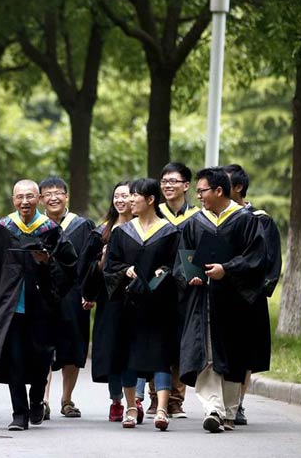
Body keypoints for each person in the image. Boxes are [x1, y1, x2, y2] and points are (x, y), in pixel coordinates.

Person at [0, 179, 78, 431]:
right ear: (13, 200)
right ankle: (19, 414)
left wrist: (47, 261)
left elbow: (69, 266)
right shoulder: (2, 228)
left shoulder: (51, 230)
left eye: (30, 196)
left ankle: (36, 400)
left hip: (42, 306)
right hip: (9, 305)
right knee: (14, 359)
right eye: (20, 197)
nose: (25, 202)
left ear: (39, 199)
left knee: (42, 357)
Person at [177, 167, 267, 433]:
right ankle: (213, 409)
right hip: (204, 298)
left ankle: (228, 411)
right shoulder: (195, 222)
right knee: (207, 353)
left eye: (202, 190)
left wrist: (226, 269)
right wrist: (189, 276)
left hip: (236, 299)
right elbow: (183, 258)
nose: (198, 195)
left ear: (218, 191)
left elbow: (256, 258)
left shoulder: (246, 221)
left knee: (234, 354)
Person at [104, 178, 181, 431]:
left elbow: (176, 264)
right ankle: (130, 408)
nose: (129, 200)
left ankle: (161, 409)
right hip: (129, 304)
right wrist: (125, 271)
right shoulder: (121, 232)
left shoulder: (170, 232)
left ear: (150, 200)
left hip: (159, 305)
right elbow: (110, 266)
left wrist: (164, 271)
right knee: (128, 356)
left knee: (160, 355)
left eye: (135, 196)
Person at [224, 164, 282, 426]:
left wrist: (258, 290)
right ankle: (222, 402)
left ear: (237, 187)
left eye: (223, 183)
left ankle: (238, 403)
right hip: (221, 293)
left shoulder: (261, 219)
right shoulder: (215, 217)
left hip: (249, 297)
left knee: (246, 352)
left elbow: (270, 261)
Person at [143, 162, 198, 418]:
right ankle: (156, 398)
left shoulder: (197, 217)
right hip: (157, 288)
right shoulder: (154, 214)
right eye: (164, 181)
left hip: (185, 289)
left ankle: (176, 399)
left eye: (173, 181)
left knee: (179, 342)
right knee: (157, 341)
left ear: (186, 186)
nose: (167, 185)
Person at [79, 181, 136, 423]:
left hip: (136, 297)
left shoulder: (145, 229)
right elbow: (86, 267)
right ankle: (116, 400)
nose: (121, 200)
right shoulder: (102, 231)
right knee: (113, 350)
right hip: (109, 299)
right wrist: (90, 290)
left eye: (126, 195)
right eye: (117, 196)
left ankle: (136, 400)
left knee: (135, 350)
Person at [40, 176, 95, 420]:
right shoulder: (35, 225)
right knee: (43, 346)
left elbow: (90, 263)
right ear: (41, 199)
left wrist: (89, 291)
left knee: (72, 346)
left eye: (58, 193)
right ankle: (42, 399)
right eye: (48, 194)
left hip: (74, 294)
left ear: (67, 196)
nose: (53, 197)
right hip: (42, 293)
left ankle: (67, 399)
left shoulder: (82, 226)